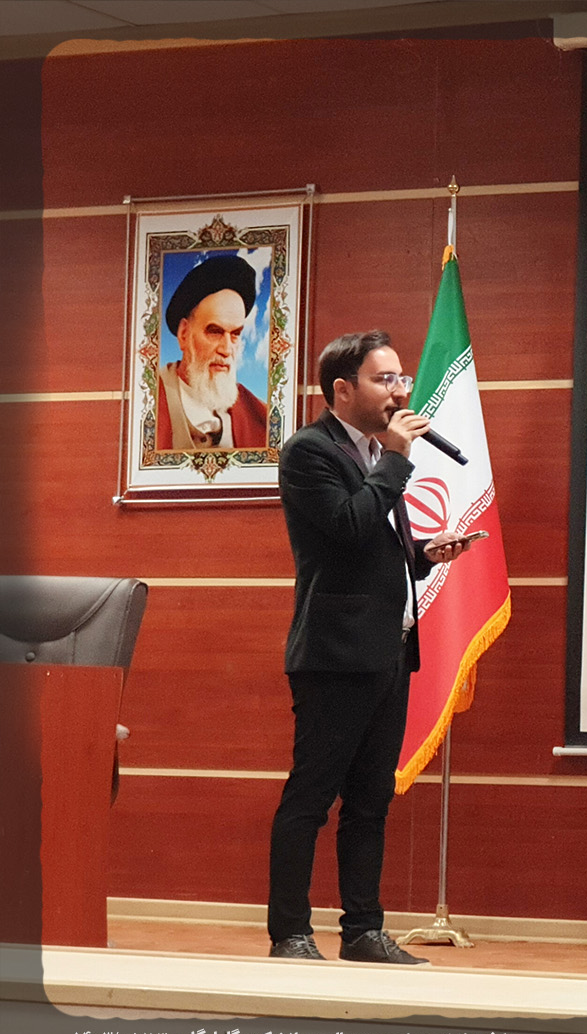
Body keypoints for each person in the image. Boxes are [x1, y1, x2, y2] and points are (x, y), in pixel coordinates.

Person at [266, 330, 474, 963]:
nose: (400, 391)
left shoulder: (377, 455)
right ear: (342, 389)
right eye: (385, 379)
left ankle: (362, 931)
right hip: (334, 653)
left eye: (402, 378)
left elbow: (371, 547)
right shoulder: (310, 451)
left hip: (388, 650)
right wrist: (396, 460)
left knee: (370, 801)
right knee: (311, 796)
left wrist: (423, 554)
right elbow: (348, 528)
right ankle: (291, 932)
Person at [158, 253, 270, 450]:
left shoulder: (260, 415)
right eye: (215, 332)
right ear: (184, 334)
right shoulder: (148, 401)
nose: (226, 350)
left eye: (235, 334)